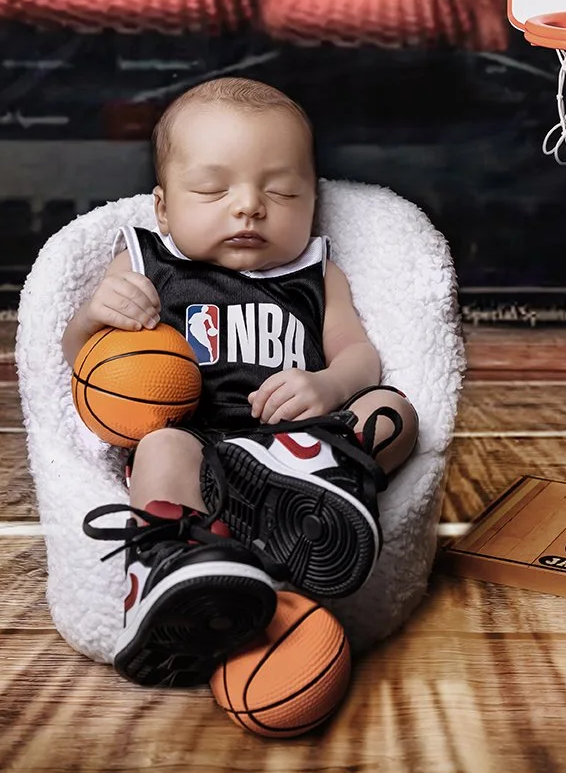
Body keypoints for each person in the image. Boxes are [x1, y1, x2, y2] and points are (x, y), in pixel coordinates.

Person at [62, 78, 420, 687]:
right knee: (159, 446)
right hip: (194, 445)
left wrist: (329, 387)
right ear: (164, 207)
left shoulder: (315, 272)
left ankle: (317, 482)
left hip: (302, 442)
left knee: (396, 412)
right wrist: (98, 313)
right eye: (211, 188)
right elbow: (81, 360)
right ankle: (175, 564)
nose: (249, 205)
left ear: (312, 201)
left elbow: (359, 355)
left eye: (281, 190)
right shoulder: (150, 261)